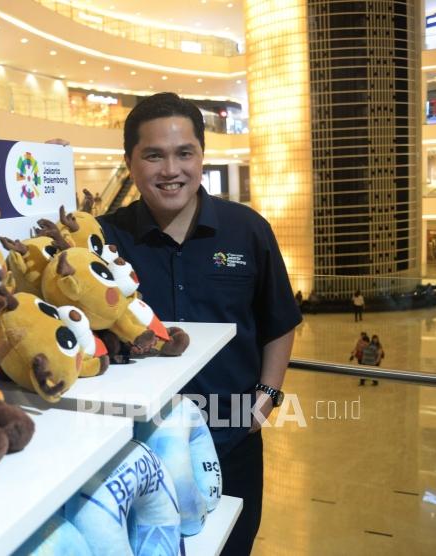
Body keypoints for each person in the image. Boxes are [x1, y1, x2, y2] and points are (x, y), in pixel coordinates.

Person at [98, 92, 302, 555]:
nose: (171, 169)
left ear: (201, 156)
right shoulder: (105, 238)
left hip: (233, 440)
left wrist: (266, 399)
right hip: (137, 447)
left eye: (184, 153)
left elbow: (279, 319)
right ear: (129, 161)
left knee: (232, 545)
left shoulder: (247, 230)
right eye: (153, 155)